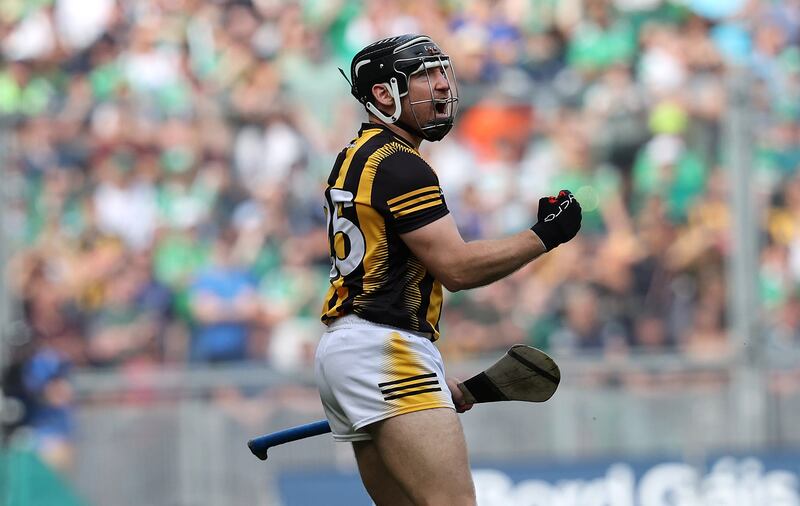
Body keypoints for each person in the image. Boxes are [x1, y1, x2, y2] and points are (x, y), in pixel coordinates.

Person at [314, 34, 582, 505]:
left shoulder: (354, 156)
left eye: (441, 72)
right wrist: (545, 235)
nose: (440, 86)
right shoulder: (401, 166)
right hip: (386, 349)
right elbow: (456, 269)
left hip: (348, 350)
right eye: (422, 76)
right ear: (383, 94)